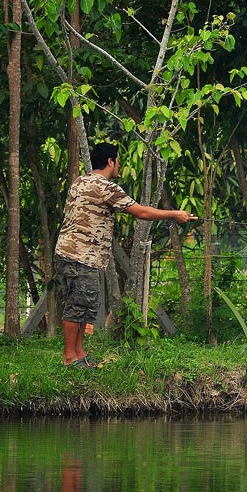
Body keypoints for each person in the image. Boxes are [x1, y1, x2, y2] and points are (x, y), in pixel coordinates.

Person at [55, 142, 195, 368]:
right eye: (118, 160)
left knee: (85, 303)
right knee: (77, 304)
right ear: (110, 161)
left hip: (71, 252)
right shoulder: (106, 187)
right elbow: (140, 212)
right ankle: (70, 356)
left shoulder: (79, 182)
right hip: (80, 254)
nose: (120, 165)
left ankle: (79, 353)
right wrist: (174, 214)